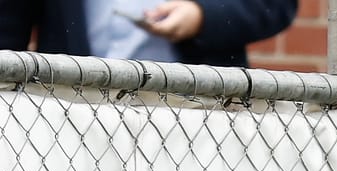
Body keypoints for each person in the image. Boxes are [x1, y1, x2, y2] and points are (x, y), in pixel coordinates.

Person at [0, 1, 298, 67]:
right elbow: (9, 21)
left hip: (195, 111)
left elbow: (274, 4)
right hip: (73, 109)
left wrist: (203, 17)